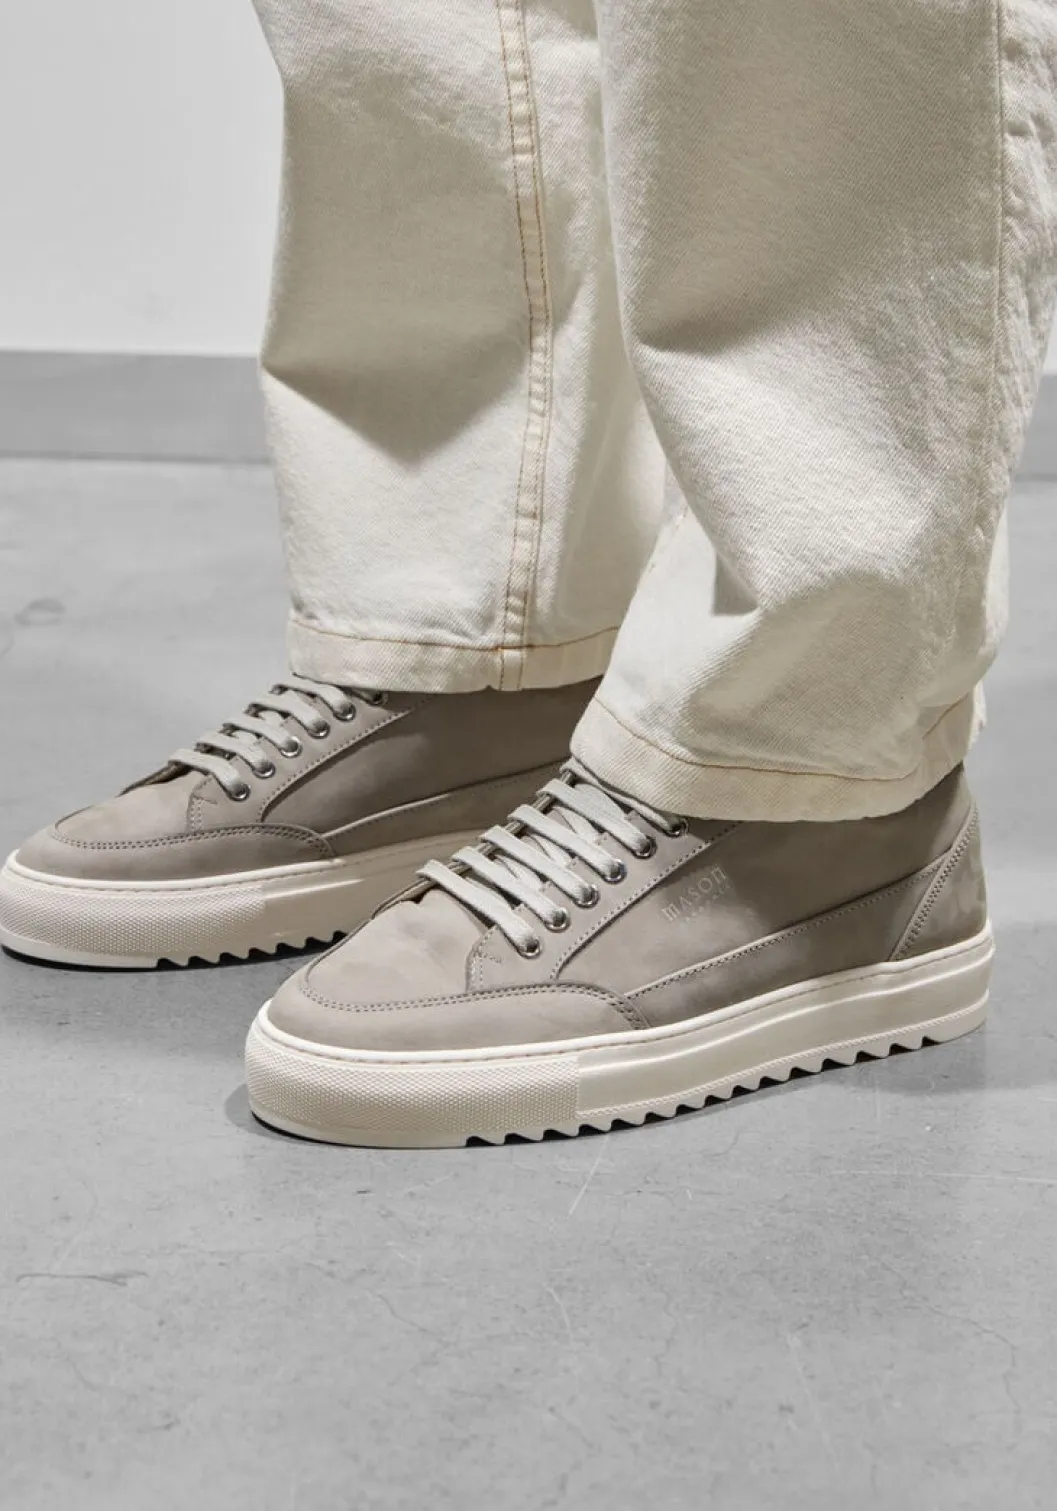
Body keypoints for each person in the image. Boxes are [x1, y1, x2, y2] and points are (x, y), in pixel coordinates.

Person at [2, 2, 1055, 1147]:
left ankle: (807, 779)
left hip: (820, 787)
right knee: (421, 36)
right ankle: (479, 656)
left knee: (794, 43)